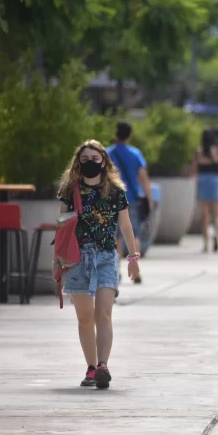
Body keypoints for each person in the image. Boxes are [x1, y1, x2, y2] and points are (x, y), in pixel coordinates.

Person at [54, 140, 140, 389]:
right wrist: (56, 262)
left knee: (103, 312)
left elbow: (125, 226)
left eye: (95, 159)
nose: (90, 163)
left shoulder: (115, 192)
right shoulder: (71, 191)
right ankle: (91, 368)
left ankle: (103, 365)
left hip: (105, 258)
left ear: (104, 160)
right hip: (76, 260)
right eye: (85, 160)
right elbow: (62, 228)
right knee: (84, 317)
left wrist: (133, 258)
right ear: (77, 164)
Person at [107, 121, 153, 285]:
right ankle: (135, 267)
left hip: (111, 199)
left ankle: (117, 270)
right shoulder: (135, 153)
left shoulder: (107, 153)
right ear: (130, 135)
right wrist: (149, 198)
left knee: (116, 236)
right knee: (134, 234)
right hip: (131, 198)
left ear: (115, 134)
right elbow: (143, 178)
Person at [193, 128, 218, 252]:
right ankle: (216, 237)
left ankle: (205, 243)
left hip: (203, 181)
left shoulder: (199, 151)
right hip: (216, 180)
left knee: (205, 215)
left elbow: (194, 169)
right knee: (217, 214)